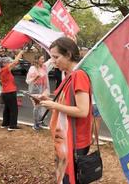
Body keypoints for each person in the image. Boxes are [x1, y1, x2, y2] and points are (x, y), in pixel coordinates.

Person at [39, 37, 92, 184]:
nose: (54, 61)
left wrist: (54, 106)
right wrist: (48, 101)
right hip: (66, 138)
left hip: (75, 141)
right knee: (65, 177)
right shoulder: (68, 76)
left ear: (68, 54)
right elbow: (65, 102)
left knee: (71, 179)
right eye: (52, 57)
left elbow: (83, 111)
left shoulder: (78, 75)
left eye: (56, 57)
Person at [26, 54, 53, 130]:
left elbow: (50, 61)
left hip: (43, 89)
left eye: (43, 58)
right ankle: (35, 124)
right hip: (35, 89)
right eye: (41, 59)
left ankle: (41, 120)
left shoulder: (44, 66)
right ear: (37, 60)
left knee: (43, 106)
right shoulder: (32, 68)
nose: (43, 60)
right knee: (37, 106)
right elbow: (28, 81)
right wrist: (36, 77)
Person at [0, 50, 24, 131]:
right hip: (9, 92)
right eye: (8, 62)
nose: (10, 63)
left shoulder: (3, 70)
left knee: (7, 108)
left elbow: (14, 63)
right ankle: (12, 125)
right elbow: (15, 62)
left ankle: (5, 124)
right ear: (4, 64)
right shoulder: (5, 70)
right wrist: (20, 53)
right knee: (14, 109)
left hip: (6, 92)